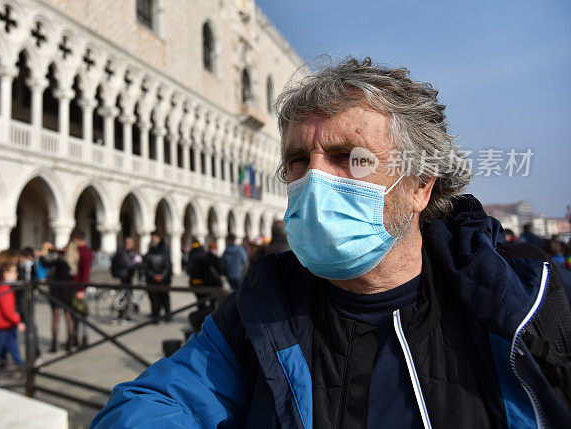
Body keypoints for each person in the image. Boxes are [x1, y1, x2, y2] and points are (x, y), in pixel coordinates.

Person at [92, 57, 571, 427]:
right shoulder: (261, 310)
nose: (315, 179)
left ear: (420, 185)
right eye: (299, 160)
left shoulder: (530, 303)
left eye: (350, 157)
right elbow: (163, 400)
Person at [0, 252, 25, 383]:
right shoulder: (4, 289)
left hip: (4, 324)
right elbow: (7, 310)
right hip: (2, 325)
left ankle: (22, 368)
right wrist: (18, 321)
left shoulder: (2, 287)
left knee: (12, 348)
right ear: (5, 274)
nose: (16, 275)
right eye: (14, 273)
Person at [40, 243, 75, 352]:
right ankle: (70, 343)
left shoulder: (60, 262)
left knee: (56, 318)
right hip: (68, 291)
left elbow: (45, 263)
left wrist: (43, 252)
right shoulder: (72, 261)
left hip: (57, 291)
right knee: (68, 317)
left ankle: (54, 344)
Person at [69, 229, 93, 348]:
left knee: (83, 314)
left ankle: (84, 338)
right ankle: (75, 337)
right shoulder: (78, 250)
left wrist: (82, 290)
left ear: (77, 239)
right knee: (75, 314)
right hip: (76, 286)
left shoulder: (86, 252)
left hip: (80, 288)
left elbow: (86, 273)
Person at [186, 240, 222, 314]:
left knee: (200, 301)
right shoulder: (204, 255)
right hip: (205, 283)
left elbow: (189, 270)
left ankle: (202, 315)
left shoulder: (191, 255)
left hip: (194, 282)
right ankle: (207, 316)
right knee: (211, 301)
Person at [143, 231, 171, 322]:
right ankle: (156, 316)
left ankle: (167, 315)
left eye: (154, 237)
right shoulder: (148, 254)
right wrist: (154, 276)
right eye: (152, 237)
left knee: (165, 298)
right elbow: (146, 267)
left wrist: (162, 275)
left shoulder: (165, 250)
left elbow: (168, 265)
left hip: (164, 280)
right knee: (154, 299)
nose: (153, 239)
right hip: (152, 280)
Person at [111, 236, 142, 321]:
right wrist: (136, 261)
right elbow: (128, 264)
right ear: (129, 244)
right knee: (125, 296)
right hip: (124, 276)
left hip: (126, 276)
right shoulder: (123, 251)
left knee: (127, 295)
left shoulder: (126, 251)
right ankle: (123, 314)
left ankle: (125, 314)